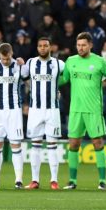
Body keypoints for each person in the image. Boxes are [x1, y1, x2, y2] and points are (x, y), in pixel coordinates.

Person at [61, 32, 106, 190]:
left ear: (91, 45)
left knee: (98, 143)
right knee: (73, 144)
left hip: (94, 110)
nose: (80, 48)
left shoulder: (100, 62)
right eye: (78, 45)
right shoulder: (70, 61)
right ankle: (72, 181)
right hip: (76, 110)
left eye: (83, 45)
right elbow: (63, 79)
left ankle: (102, 181)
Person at [21, 37, 66, 190]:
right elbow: (24, 79)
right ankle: (35, 180)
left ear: (50, 47)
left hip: (52, 110)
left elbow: (66, 79)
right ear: (37, 47)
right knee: (35, 145)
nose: (42, 48)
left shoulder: (59, 64)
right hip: (35, 110)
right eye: (40, 46)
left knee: (52, 144)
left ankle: (54, 180)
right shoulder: (31, 63)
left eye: (45, 46)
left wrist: (58, 91)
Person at [0, 43, 25, 189]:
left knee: (16, 145)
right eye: (3, 59)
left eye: (8, 58)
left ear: (12, 53)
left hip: (14, 111)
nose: (5, 61)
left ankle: (19, 180)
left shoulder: (20, 66)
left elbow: (30, 81)